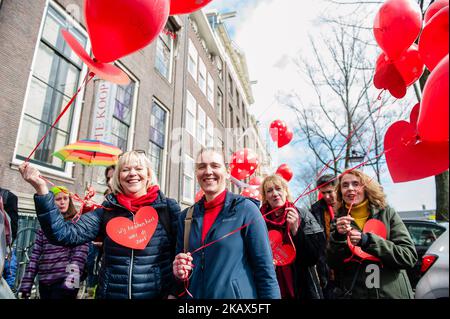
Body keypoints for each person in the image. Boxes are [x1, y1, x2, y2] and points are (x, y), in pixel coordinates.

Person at [19, 150, 181, 299]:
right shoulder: (106, 211)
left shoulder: (167, 208)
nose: (132, 173)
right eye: (125, 169)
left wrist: (174, 292)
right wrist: (41, 189)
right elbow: (63, 234)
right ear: (118, 177)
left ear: (148, 174)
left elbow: (182, 254)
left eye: (138, 168)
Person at [173, 148, 280, 299]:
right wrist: (179, 273)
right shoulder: (186, 217)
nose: (208, 171)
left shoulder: (246, 210)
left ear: (227, 171)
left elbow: (266, 272)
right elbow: (181, 277)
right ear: (196, 173)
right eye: (202, 166)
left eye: (215, 166)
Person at [327, 169, 418, 299]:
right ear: (340, 192)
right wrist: (338, 238)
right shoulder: (339, 221)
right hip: (356, 294)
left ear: (366, 188)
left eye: (356, 184)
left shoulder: (387, 213)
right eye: (345, 185)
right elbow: (333, 264)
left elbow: (408, 257)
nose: (350, 188)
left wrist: (368, 241)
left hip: (391, 294)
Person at [260, 174, 326, 299]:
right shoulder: (259, 219)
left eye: (278, 189)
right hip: (272, 285)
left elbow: (313, 257)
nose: (275, 194)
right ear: (265, 197)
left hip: (302, 286)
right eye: (269, 191)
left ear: (285, 191)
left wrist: (296, 229)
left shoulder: (303, 214)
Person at [18, 186, 89, 299]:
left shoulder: (77, 223)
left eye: (65, 198)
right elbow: (35, 255)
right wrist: (27, 284)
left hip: (65, 282)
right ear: (52, 202)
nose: (62, 202)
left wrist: (71, 281)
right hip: (45, 282)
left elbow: (79, 256)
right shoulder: (45, 226)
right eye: (58, 199)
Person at [309, 174, 338, 298]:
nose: (326, 196)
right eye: (323, 192)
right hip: (326, 267)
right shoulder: (316, 209)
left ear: (337, 188)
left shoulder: (348, 204)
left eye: (330, 192)